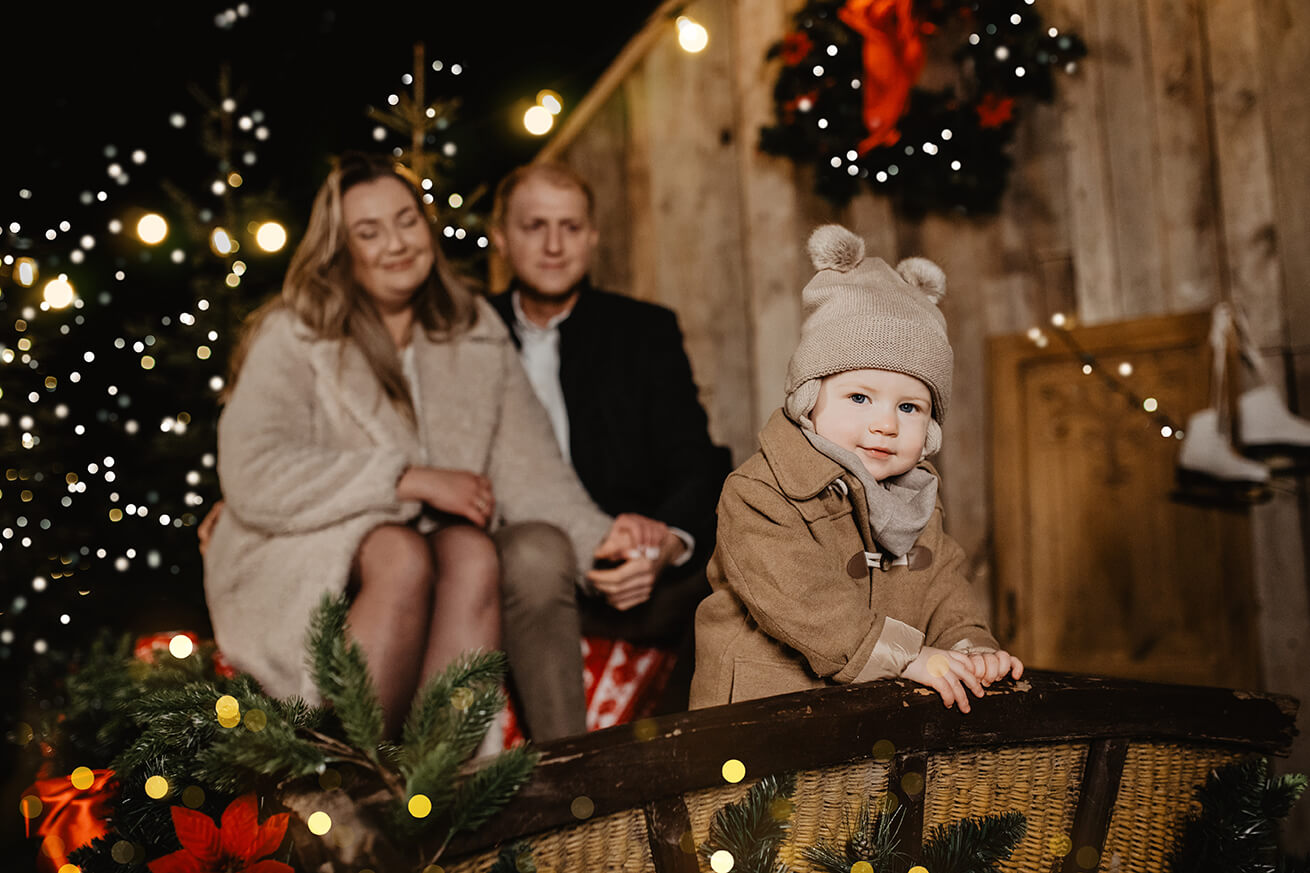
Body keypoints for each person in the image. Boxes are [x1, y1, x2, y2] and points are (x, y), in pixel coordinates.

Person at [201, 152, 652, 741]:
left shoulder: (473, 329)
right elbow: (255, 470)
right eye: (369, 231)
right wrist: (404, 479)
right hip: (305, 543)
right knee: (400, 551)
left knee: (470, 549)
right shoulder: (295, 332)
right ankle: (351, 769)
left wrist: (602, 540)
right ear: (341, 248)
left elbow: (531, 470)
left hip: (429, 544)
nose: (396, 243)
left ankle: (438, 773)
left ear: (427, 225)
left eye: (406, 220)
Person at [689, 224, 1022, 711]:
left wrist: (969, 648)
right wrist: (908, 657)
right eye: (860, 398)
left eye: (909, 407)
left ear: (931, 427)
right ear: (809, 400)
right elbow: (800, 598)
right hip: (762, 713)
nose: (885, 424)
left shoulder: (915, 499)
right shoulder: (759, 492)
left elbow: (943, 588)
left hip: (864, 719)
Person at [486, 161, 731, 711]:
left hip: (629, 568)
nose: (554, 245)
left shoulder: (643, 331)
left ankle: (680, 754)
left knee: (734, 573)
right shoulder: (470, 334)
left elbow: (696, 460)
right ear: (500, 238)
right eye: (535, 226)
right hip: (513, 564)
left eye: (570, 227)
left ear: (592, 236)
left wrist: (665, 544)